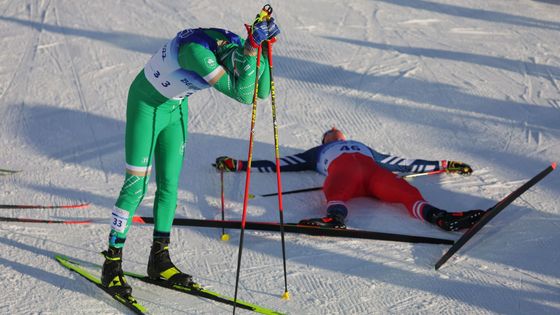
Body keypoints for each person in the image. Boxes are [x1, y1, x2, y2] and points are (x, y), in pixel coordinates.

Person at [101, 13, 281, 297]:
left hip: (175, 109)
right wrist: (252, 48)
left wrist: (265, 49)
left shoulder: (231, 46)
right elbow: (244, 95)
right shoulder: (199, 53)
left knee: (170, 185)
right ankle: (111, 264)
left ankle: (159, 260)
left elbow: (258, 92)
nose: (237, 72)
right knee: (136, 187)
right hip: (146, 105)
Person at [214, 127, 484, 231]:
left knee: (405, 190)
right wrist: (238, 165)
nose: (333, 133)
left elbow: (402, 163)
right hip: (345, 175)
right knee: (335, 187)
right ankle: (335, 219)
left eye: (336, 132)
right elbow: (281, 164)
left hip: (374, 175)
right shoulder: (318, 152)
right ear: (324, 141)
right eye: (328, 134)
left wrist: (445, 165)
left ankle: (440, 217)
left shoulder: (364, 147)